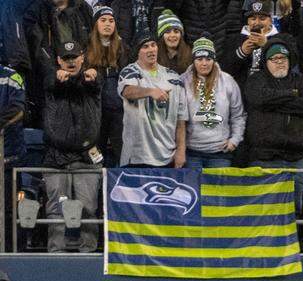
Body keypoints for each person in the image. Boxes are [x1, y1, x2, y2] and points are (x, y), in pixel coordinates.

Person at [41, 37, 103, 253]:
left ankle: (88, 254)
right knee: (56, 210)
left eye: (74, 57)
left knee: (88, 209)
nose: (70, 62)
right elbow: (51, 83)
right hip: (56, 159)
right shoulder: (51, 81)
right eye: (66, 58)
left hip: (86, 158)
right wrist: (58, 79)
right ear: (58, 60)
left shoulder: (91, 82)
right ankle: (56, 254)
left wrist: (92, 78)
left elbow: (94, 85)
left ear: (82, 58)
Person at [243, 39, 303, 214]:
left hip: (296, 157)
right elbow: (258, 98)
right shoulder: (256, 80)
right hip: (264, 157)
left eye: (283, 58)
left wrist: (272, 103)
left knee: (294, 209)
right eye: (274, 59)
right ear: (266, 62)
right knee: (263, 210)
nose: (279, 62)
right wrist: (291, 94)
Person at [118, 34, 188, 168]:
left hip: (168, 156)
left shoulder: (174, 77)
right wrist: (150, 91)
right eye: (145, 47)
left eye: (153, 45)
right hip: (137, 156)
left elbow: (181, 119)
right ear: (137, 52)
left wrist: (181, 150)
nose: (151, 50)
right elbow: (127, 91)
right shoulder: (130, 72)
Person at [180, 38, 245, 169]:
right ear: (193, 60)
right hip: (192, 152)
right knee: (194, 189)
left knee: (218, 189)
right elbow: (178, 117)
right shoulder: (182, 81)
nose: (204, 63)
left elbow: (238, 115)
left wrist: (234, 140)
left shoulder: (228, 81)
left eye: (208, 59)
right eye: (199, 59)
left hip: (220, 153)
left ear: (214, 60)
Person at [87, 4, 126, 167]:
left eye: (111, 20)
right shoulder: (86, 47)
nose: (108, 24)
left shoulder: (123, 47)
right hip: (95, 113)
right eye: (103, 20)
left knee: (121, 155)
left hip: (118, 112)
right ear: (96, 23)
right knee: (95, 156)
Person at [155, 9, 192, 74]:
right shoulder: (154, 56)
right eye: (167, 32)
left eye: (176, 31)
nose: (172, 35)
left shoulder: (191, 54)